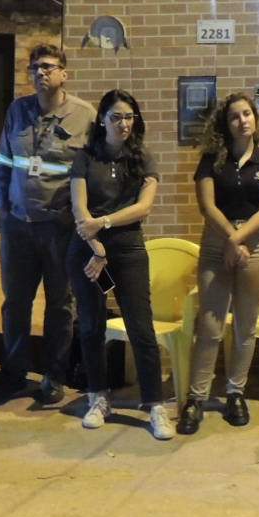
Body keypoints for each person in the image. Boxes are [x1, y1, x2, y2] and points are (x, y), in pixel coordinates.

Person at [0, 43, 95, 405]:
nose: (40, 72)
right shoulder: (17, 111)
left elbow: (92, 174)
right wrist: (2, 207)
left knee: (60, 303)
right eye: (35, 67)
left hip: (59, 228)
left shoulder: (85, 116)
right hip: (18, 225)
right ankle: (14, 370)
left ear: (64, 73)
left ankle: (54, 374)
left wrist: (80, 219)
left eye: (48, 66)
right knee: (16, 302)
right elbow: (3, 162)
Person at [67, 89, 173, 440]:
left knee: (140, 328)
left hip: (127, 251)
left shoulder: (142, 158)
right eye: (116, 117)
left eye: (129, 117)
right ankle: (98, 397)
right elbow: (79, 209)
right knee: (91, 325)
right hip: (89, 251)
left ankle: (154, 404)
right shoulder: (85, 157)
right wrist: (96, 247)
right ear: (102, 120)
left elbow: (143, 208)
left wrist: (104, 223)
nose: (123, 124)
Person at [178, 93, 259, 434]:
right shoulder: (211, 160)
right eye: (235, 116)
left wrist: (239, 240)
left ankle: (236, 393)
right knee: (210, 324)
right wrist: (230, 239)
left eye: (247, 114)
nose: (242, 120)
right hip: (216, 243)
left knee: (245, 325)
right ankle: (196, 398)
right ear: (226, 124)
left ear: (256, 118)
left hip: (257, 245)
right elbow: (207, 206)